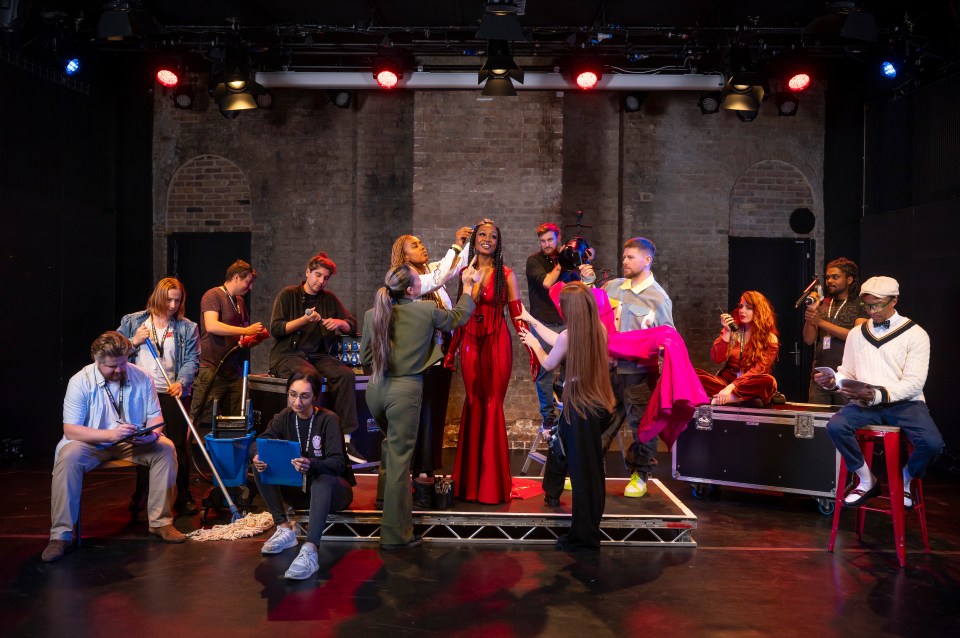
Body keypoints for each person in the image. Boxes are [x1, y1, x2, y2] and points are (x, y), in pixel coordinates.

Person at [360, 263, 479, 548]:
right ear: (411, 289)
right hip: (405, 392)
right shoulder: (425, 311)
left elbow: (365, 357)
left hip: (375, 390)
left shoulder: (371, 315)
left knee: (391, 447)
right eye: (419, 280)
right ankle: (395, 536)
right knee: (402, 463)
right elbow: (458, 318)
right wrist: (470, 286)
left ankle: (382, 500)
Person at [43, 332, 184, 562]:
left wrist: (151, 436)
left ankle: (161, 523)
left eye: (123, 363)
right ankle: (61, 535)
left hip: (131, 442)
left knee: (165, 448)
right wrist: (110, 434)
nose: (119, 370)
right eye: (112, 367)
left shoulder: (142, 377)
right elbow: (71, 430)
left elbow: (155, 417)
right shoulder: (80, 381)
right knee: (68, 457)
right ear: (97, 361)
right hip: (90, 443)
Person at [814, 276, 944, 509]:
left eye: (877, 305)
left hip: (906, 404)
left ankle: (907, 478)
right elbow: (848, 372)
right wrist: (834, 382)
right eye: (867, 305)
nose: (871, 311)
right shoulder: (856, 334)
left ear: (894, 301)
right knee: (835, 426)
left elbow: (914, 382)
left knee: (932, 443)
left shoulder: (916, 334)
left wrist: (878, 395)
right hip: (864, 404)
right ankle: (866, 479)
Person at [519, 283, 615, 550]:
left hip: (579, 409)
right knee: (590, 473)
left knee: (583, 476)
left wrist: (532, 343)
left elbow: (549, 362)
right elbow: (559, 339)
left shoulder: (570, 336)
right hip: (595, 406)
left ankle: (584, 537)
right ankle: (586, 530)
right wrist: (533, 322)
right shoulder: (598, 330)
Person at [449, 218, 536, 505]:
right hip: (472, 343)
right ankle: (468, 485)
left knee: (492, 405)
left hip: (498, 344)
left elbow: (517, 315)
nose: (488, 239)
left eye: (493, 236)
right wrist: (452, 351)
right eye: (483, 234)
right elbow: (459, 317)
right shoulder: (464, 272)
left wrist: (533, 351)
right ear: (474, 240)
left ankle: (492, 487)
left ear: (498, 244)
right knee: (473, 404)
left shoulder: (506, 274)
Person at [251, 372, 355, 580]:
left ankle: (310, 549)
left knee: (322, 478)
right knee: (260, 464)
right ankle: (284, 529)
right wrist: (256, 455)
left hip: (333, 491)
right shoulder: (285, 416)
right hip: (300, 490)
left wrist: (312, 464)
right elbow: (260, 442)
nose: (297, 402)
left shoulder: (328, 419)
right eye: (293, 394)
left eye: (304, 396)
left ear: (315, 397)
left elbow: (337, 464)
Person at [390, 228, 472, 481]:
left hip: (440, 350)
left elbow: (457, 266)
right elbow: (441, 275)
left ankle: (428, 465)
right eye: (415, 245)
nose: (422, 247)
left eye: (421, 243)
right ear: (403, 257)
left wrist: (469, 241)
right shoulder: (408, 281)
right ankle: (418, 469)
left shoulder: (428, 270)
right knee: (424, 410)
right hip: (423, 354)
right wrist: (456, 247)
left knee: (436, 408)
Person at [268, 253, 364, 462]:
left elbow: (352, 324)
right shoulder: (289, 294)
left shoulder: (329, 299)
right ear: (307, 272)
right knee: (309, 376)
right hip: (288, 355)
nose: (321, 281)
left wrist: (340, 323)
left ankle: (346, 439)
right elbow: (276, 328)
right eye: (318, 275)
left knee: (346, 375)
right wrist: (304, 319)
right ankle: (314, 434)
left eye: (326, 278)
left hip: (317, 356)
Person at [118, 277, 201, 516]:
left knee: (177, 445)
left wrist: (181, 382)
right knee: (144, 444)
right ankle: (142, 492)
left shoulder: (187, 327)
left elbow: (191, 361)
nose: (173, 305)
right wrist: (134, 341)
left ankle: (183, 495)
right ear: (157, 297)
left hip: (172, 392)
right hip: (141, 394)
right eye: (169, 299)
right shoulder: (132, 322)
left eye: (178, 300)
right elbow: (113, 351)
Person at [601, 236, 674, 498]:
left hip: (639, 375)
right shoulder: (612, 287)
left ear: (647, 260)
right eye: (624, 257)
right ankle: (588, 473)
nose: (625, 261)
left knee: (642, 427)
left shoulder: (658, 298)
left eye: (631, 257)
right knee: (600, 424)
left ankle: (640, 475)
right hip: (609, 371)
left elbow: (668, 338)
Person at [524, 222, 596, 433]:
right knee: (544, 371)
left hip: (567, 322)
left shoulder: (569, 260)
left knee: (573, 368)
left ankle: (568, 411)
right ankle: (548, 417)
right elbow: (547, 283)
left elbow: (580, 286)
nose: (546, 244)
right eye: (543, 241)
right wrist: (561, 262)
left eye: (550, 240)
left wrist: (582, 259)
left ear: (558, 239)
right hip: (544, 322)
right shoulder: (534, 261)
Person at [190, 260, 264, 427]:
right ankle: (195, 451)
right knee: (203, 420)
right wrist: (245, 331)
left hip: (233, 370)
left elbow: (243, 333)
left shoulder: (240, 302)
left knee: (236, 421)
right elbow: (212, 325)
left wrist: (254, 337)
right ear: (236, 277)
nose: (250, 287)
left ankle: (230, 452)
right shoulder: (213, 295)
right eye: (248, 282)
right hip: (212, 368)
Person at [803, 258, 868, 405]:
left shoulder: (861, 305)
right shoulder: (822, 304)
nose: (830, 281)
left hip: (847, 377)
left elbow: (856, 337)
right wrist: (811, 314)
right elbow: (808, 340)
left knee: (844, 422)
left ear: (849, 279)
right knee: (816, 422)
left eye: (835, 277)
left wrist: (820, 322)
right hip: (820, 376)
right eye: (827, 277)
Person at [697, 291, 779, 406]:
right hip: (725, 382)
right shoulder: (733, 331)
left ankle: (724, 399)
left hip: (748, 383)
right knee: (694, 375)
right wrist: (726, 331)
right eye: (740, 306)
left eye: (748, 308)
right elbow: (716, 358)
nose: (742, 310)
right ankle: (742, 399)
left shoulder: (769, 338)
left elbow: (758, 370)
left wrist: (731, 387)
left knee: (769, 382)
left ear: (759, 311)